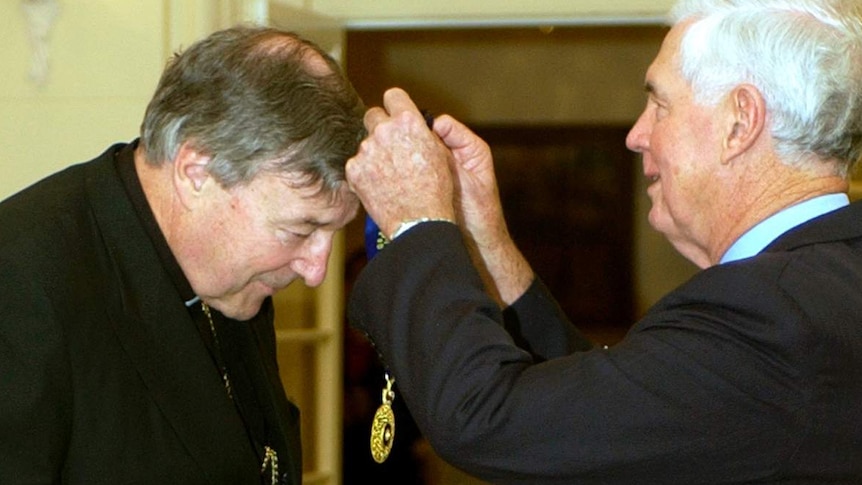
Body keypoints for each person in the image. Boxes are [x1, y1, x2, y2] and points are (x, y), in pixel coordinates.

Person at [344, 0, 862, 483]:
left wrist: (415, 219)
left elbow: (487, 419)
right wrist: (485, 242)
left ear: (739, 122)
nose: (636, 135)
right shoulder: (826, 285)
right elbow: (602, 421)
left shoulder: (767, 315)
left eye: (660, 105)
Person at [0, 26, 365, 484]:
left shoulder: (228, 276)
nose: (316, 270)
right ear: (197, 171)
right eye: (299, 229)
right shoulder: (18, 284)